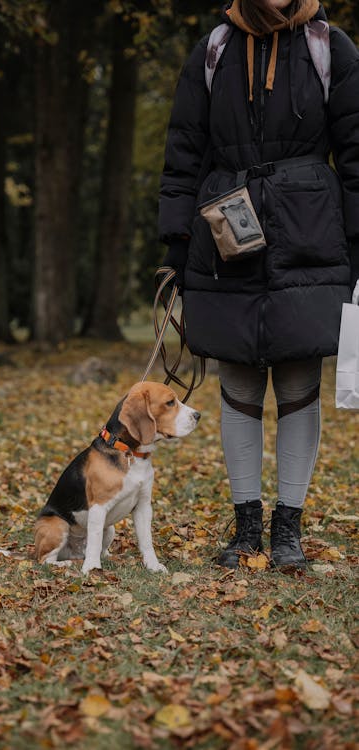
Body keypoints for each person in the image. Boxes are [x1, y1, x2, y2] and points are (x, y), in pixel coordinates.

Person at [159, 0, 359, 568]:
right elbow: (184, 151)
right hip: (225, 235)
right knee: (239, 381)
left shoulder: (330, 47)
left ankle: (288, 529)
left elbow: (356, 153)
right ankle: (246, 527)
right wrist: (176, 246)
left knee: (298, 377)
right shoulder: (213, 51)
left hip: (312, 236)